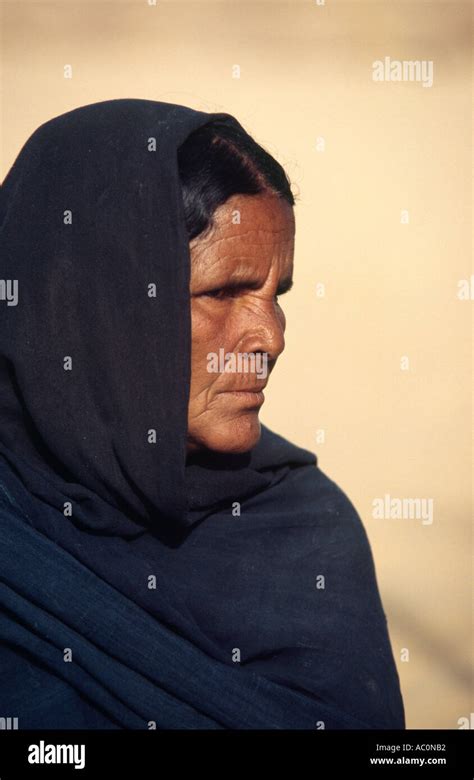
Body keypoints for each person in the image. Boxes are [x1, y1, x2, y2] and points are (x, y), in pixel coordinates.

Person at [0, 99, 404, 729]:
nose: (270, 337)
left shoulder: (305, 531)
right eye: (223, 292)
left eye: (278, 294)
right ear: (93, 303)